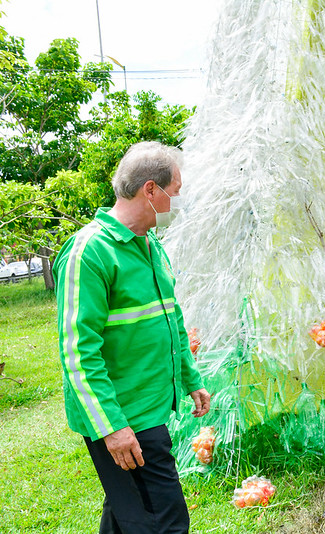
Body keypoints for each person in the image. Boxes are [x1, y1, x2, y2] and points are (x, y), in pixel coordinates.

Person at [53, 141, 211, 534]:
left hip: (151, 405)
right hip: (125, 416)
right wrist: (112, 427)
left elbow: (171, 316)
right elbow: (77, 353)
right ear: (151, 191)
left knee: (129, 513)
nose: (178, 201)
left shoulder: (149, 245)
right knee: (165, 521)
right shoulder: (89, 253)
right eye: (175, 191)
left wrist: (189, 379)